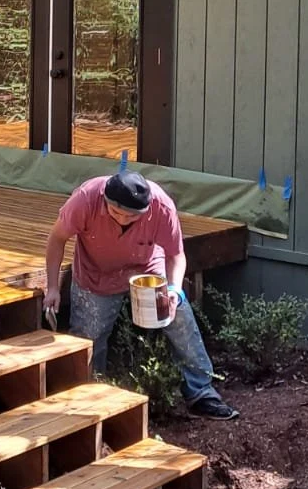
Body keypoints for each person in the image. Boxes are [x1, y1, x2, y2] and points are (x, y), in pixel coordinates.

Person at [43, 170, 238, 419]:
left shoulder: (162, 206)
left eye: (132, 216)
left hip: (146, 266)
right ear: (104, 199)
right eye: (116, 213)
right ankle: (92, 399)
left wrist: (174, 291)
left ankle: (201, 392)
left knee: (179, 315)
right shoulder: (85, 198)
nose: (123, 219)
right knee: (89, 337)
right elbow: (57, 238)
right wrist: (52, 287)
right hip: (95, 273)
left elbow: (176, 255)